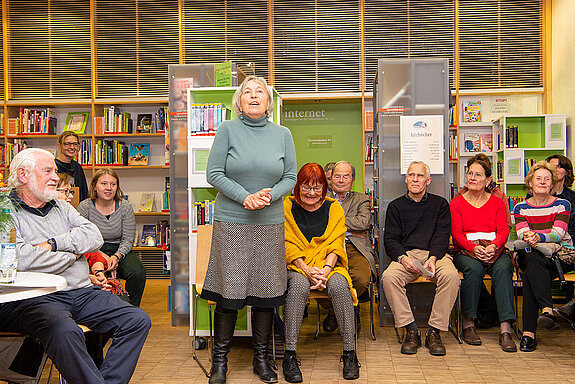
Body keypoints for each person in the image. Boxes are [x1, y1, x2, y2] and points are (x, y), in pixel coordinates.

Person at [0, 148, 150, 383]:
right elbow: (21, 258)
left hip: (80, 292)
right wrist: (74, 255)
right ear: (22, 175)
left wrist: (53, 244)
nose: (55, 177)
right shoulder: (5, 211)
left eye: (55, 171)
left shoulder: (60, 206)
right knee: (64, 331)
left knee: (136, 320)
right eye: (48, 171)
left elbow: (94, 236)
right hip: (34, 298)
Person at [200, 75, 297, 384]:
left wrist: (268, 195)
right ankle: (219, 362)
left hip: (269, 223)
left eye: (260, 93)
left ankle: (261, 359)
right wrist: (245, 197)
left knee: (266, 293)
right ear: (238, 102)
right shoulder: (227, 130)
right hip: (232, 222)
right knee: (230, 293)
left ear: (269, 103)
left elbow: (291, 176)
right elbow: (213, 173)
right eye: (247, 92)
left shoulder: (283, 133)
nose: (254, 96)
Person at [282, 163, 360, 381]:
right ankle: (289, 354)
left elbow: (337, 242)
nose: (311, 193)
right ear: (297, 187)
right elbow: (287, 243)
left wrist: (325, 270)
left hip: (328, 265)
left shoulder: (334, 207)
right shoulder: (287, 206)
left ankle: (349, 353)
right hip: (297, 265)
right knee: (297, 286)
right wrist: (306, 269)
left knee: (340, 285)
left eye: (317, 188)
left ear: (325, 188)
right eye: (306, 187)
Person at [382, 161, 459, 356]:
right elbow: (390, 239)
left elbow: (442, 236)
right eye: (411, 175)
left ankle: (434, 331)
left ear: (428, 180)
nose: (415, 179)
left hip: (435, 254)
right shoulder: (395, 207)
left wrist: (433, 258)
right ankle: (411, 330)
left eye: (420, 176)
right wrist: (402, 258)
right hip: (407, 255)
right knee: (389, 278)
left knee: (451, 276)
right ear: (406, 179)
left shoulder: (440, 204)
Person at [450, 154, 516, 352]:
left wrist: (494, 246)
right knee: (474, 269)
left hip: (493, 250)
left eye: (478, 175)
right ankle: (468, 323)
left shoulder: (497, 202)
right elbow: (456, 234)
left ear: (488, 180)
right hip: (467, 251)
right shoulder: (457, 203)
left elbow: (504, 230)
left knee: (504, 268)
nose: (472, 178)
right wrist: (474, 248)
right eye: (470, 173)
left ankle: (505, 328)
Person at [513, 161, 573, 352]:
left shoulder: (563, 204)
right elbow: (522, 234)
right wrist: (532, 238)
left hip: (559, 256)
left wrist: (538, 236)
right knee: (532, 259)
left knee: (532, 270)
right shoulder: (520, 207)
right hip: (531, 252)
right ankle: (547, 310)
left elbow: (558, 233)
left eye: (547, 179)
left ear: (552, 183)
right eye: (538, 178)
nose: (542, 182)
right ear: (530, 183)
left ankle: (528, 334)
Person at [78, 168, 147, 307]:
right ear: (95, 187)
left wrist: (116, 257)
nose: (109, 188)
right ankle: (94, 309)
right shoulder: (85, 207)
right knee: (81, 272)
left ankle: (131, 309)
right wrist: (103, 257)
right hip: (93, 250)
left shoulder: (125, 207)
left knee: (138, 272)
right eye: (104, 183)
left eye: (113, 184)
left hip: (120, 250)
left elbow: (128, 239)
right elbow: (83, 238)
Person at [324, 161, 377, 333]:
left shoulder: (361, 199)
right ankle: (347, 313)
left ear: (352, 180)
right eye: (337, 176)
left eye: (345, 177)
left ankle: (336, 313)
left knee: (361, 279)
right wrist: (350, 227)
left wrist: (333, 222)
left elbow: (363, 223)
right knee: (318, 281)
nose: (341, 180)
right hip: (327, 248)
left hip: (355, 247)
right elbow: (317, 225)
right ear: (330, 180)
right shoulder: (321, 199)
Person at [546, 154, 575, 322]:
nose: (554, 170)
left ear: (566, 171)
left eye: (558, 166)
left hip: (568, 245)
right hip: (545, 245)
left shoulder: (572, 198)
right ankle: (547, 311)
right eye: (550, 166)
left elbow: (572, 228)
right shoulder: (537, 195)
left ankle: (572, 307)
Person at [55, 131, 89, 201]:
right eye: (67, 144)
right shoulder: (53, 167)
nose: (72, 147)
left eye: (75, 144)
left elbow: (84, 193)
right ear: (59, 145)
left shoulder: (77, 167)